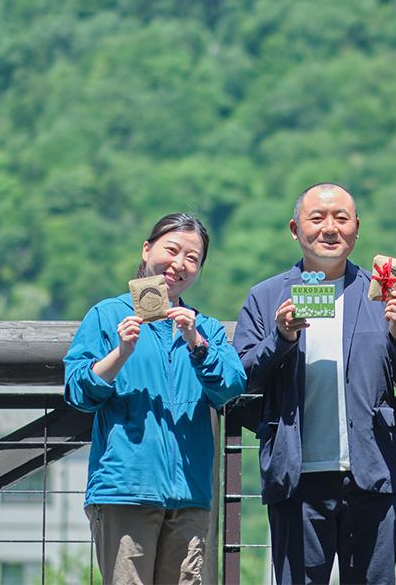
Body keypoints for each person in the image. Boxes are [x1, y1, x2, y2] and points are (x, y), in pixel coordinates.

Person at [232, 183, 396, 585]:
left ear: (357, 229)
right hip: (297, 475)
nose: (329, 228)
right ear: (294, 228)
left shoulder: (384, 293)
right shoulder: (267, 297)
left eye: (341, 218)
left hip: (370, 472)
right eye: (317, 218)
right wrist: (281, 338)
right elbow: (241, 378)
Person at [64, 213, 247, 584]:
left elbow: (230, 386)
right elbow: (78, 392)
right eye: (172, 249)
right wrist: (120, 354)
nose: (179, 264)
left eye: (192, 258)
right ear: (147, 250)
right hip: (124, 491)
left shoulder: (204, 327)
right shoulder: (107, 315)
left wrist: (196, 344)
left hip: (190, 495)